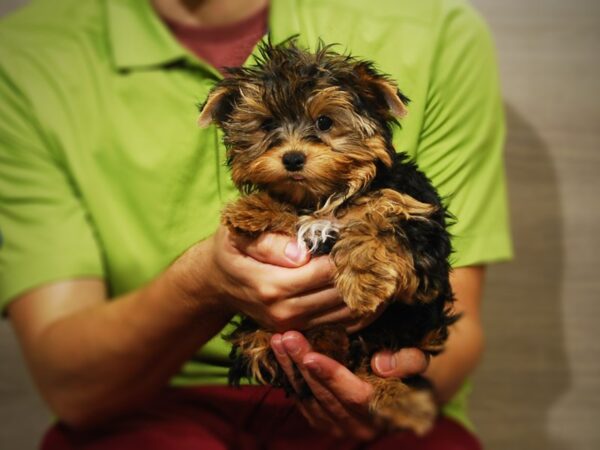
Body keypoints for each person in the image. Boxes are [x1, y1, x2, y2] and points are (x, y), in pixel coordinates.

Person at [0, 0, 512, 448]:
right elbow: (73, 388)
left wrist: (395, 391)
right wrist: (204, 284)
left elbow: (453, 314)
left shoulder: (433, 26)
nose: (292, 152)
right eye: (267, 130)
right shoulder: (26, 58)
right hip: (155, 401)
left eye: (324, 125)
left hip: (386, 395)